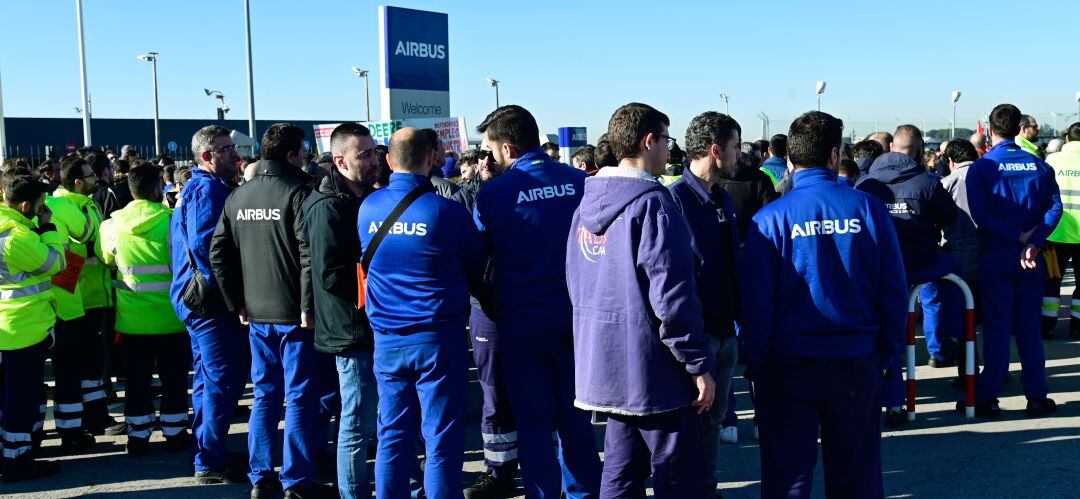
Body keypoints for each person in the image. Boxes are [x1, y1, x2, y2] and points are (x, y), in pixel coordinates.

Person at [741, 111, 907, 498]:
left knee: (787, 478)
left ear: (790, 161)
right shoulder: (868, 210)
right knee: (857, 475)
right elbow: (893, 290)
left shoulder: (769, 220)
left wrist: (756, 361)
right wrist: (888, 351)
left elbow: (757, 304)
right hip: (855, 360)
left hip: (787, 365)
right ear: (835, 156)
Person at [568, 103, 715, 499]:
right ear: (649, 141)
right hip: (654, 370)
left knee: (620, 474)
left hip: (606, 365)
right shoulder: (654, 203)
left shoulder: (584, 205)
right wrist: (697, 363)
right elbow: (672, 297)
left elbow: (575, 280)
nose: (670, 150)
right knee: (681, 478)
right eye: (667, 140)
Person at [473, 105, 602, 498]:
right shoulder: (580, 182)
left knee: (533, 423)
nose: (488, 158)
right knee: (577, 418)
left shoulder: (494, 194)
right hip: (576, 321)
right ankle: (583, 493)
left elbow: (479, 261)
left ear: (508, 148)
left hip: (521, 324)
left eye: (491, 150)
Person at [356, 127, 483, 498]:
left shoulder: (368, 207)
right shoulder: (447, 211)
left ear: (389, 160)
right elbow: (476, 264)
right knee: (441, 437)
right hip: (437, 338)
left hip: (387, 339)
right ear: (432, 159)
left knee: (392, 434)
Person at [211, 123, 333, 498]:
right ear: (294, 154)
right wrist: (309, 307)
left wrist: (238, 304)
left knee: (265, 394)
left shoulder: (237, 196)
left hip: (258, 315)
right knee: (299, 397)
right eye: (304, 151)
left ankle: (262, 478)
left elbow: (219, 254)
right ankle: (296, 480)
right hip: (295, 316)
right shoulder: (300, 194)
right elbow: (311, 256)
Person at [857, 125, 960, 426]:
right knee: (954, 276)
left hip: (879, 270)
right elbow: (949, 218)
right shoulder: (927, 182)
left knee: (890, 332)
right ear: (918, 149)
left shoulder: (865, 183)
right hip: (921, 262)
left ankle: (891, 399)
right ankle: (950, 343)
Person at [966, 104, 1062, 419]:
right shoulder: (1039, 165)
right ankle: (1036, 397)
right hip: (1031, 260)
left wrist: (1016, 236)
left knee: (996, 328)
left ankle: (988, 397)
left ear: (990, 130)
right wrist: (1033, 242)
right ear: (1019, 128)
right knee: (1029, 330)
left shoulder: (981, 168)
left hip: (997, 256)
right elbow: (1054, 209)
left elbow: (980, 215)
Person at [301, 123, 379, 499]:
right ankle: (352, 492)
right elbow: (330, 274)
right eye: (363, 154)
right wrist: (377, 286)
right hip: (349, 329)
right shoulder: (328, 206)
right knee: (355, 420)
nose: (374, 160)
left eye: (374, 151)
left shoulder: (361, 197)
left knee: (372, 416)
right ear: (339, 161)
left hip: (365, 325)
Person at [667, 111, 742, 495]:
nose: (739, 155)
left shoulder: (721, 197)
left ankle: (705, 487)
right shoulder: (674, 202)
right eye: (734, 147)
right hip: (697, 341)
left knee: (713, 423)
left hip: (726, 333)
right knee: (689, 427)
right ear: (715, 151)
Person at [171, 125, 248, 485]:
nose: (234, 154)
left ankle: (208, 451)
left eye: (232, 147)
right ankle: (209, 460)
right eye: (226, 149)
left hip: (200, 301)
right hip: (209, 304)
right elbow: (207, 251)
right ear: (206, 156)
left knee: (208, 379)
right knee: (219, 380)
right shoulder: (205, 189)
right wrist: (233, 296)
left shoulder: (204, 187)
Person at [98, 162, 191, 456]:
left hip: (131, 320)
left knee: (137, 381)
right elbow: (181, 263)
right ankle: (175, 434)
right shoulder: (171, 220)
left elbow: (106, 259)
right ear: (156, 189)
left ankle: (137, 437)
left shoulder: (111, 225)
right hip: (170, 318)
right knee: (174, 379)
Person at [453, 146, 516, 499]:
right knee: (493, 393)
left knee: (534, 390)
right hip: (484, 307)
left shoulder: (516, 193)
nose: (487, 162)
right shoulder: (463, 199)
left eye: (492, 156)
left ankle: (543, 464)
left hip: (522, 304)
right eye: (482, 158)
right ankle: (499, 470)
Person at [0, 170, 66, 482]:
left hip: (7, 327)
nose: (44, 208)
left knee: (8, 397)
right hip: (23, 329)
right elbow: (55, 263)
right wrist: (49, 226)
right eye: (41, 205)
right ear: (27, 206)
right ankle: (18, 462)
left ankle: (12, 453)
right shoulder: (19, 237)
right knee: (20, 398)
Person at [53, 157, 124, 437]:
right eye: (91, 175)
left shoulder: (88, 203)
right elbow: (63, 254)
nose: (98, 177)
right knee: (74, 365)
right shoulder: (61, 207)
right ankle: (79, 424)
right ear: (78, 181)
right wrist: (90, 258)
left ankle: (96, 417)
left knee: (92, 364)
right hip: (75, 300)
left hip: (95, 297)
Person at [1042, 122, 1080, 341]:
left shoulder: (1053, 160)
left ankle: (1047, 326)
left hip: (1055, 233)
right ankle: (1077, 327)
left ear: (1067, 138)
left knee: (1051, 282)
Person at [940, 139, 981, 292]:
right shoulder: (991, 177)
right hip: (988, 250)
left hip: (955, 250)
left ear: (951, 161)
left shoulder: (946, 183)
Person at [717, 149, 778, 241]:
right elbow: (771, 218)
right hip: (753, 244)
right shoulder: (760, 179)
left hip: (721, 245)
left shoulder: (711, 179)